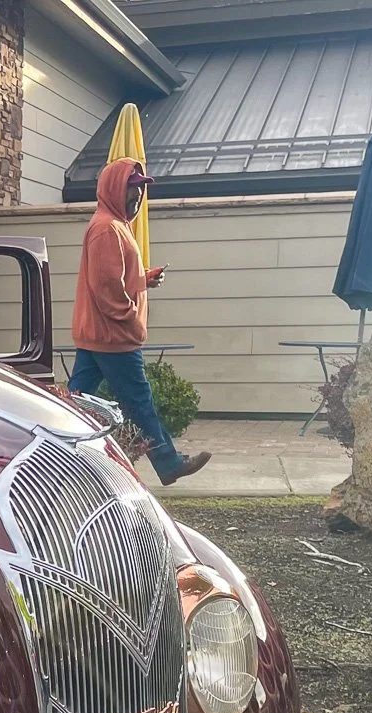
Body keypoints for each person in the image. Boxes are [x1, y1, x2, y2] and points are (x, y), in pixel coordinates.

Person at [69, 156, 210, 485]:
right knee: (138, 400)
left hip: (99, 335)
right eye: (131, 189)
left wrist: (142, 279)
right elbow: (107, 292)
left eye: (140, 190)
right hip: (113, 336)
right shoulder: (106, 229)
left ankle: (52, 451)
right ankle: (168, 462)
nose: (137, 196)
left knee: (76, 401)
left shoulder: (113, 225)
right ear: (113, 189)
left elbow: (113, 280)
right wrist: (132, 320)